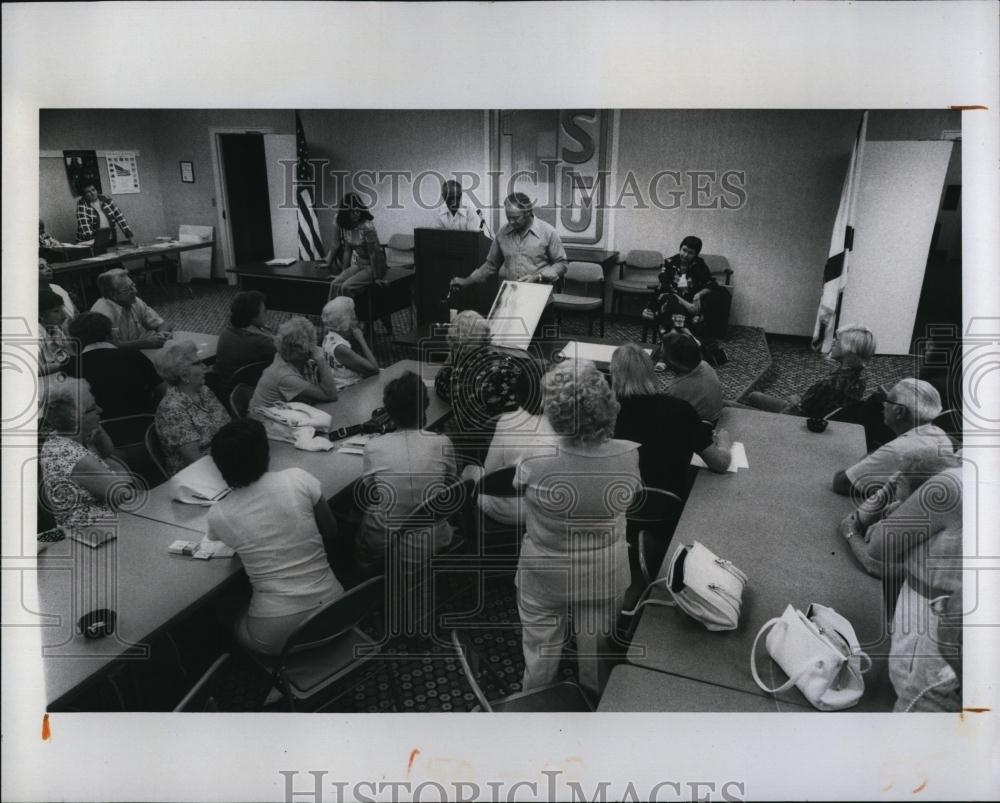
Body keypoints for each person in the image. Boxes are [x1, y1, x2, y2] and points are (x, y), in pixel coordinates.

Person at [515, 359, 642, 697]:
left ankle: (534, 702)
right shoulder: (629, 455)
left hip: (545, 570)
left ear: (553, 409)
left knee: (540, 652)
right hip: (605, 571)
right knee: (596, 654)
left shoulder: (535, 458)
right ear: (605, 402)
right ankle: (593, 706)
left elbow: (516, 488)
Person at [206, 419, 344, 656]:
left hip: (277, 634)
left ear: (221, 469)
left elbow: (230, 547)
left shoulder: (219, 513)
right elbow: (331, 529)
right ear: (266, 454)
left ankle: (255, 680)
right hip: (337, 609)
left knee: (227, 608)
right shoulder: (298, 477)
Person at [837, 457, 963, 712]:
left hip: (931, 617)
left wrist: (895, 499)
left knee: (913, 700)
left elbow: (878, 547)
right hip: (962, 619)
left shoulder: (953, 484)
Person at [355, 371, 457, 573]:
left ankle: (365, 574)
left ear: (388, 412)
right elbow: (451, 482)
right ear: (425, 408)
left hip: (394, 543)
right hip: (438, 537)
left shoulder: (373, 447)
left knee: (363, 519)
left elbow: (373, 493)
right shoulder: (442, 442)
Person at [610, 343, 732, 497]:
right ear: (650, 372)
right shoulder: (682, 410)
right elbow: (720, 463)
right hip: (668, 506)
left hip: (618, 504)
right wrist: (724, 443)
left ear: (614, 377)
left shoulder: (603, 415)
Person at [39, 378, 135, 532]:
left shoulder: (64, 437)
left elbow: (108, 451)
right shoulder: (70, 454)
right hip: (96, 533)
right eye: (92, 409)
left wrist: (94, 427)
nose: (101, 409)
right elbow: (122, 497)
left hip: (105, 524)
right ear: (74, 419)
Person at [433, 310, 525, 468]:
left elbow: (439, 384)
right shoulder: (508, 363)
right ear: (487, 337)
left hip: (480, 455)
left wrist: (453, 356)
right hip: (520, 441)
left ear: (453, 342)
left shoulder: (456, 379)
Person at [833, 378, 953, 496]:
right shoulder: (941, 435)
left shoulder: (898, 450)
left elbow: (842, 483)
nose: (884, 406)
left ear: (900, 412)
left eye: (888, 401)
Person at [477, 366, 557, 527]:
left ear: (517, 394)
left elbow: (490, 469)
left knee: (471, 471)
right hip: (543, 510)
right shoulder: (562, 427)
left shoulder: (506, 422)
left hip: (501, 509)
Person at [746, 324, 876, 418]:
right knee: (754, 396)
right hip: (818, 416)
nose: (834, 343)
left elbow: (798, 412)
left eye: (838, 341)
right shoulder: (859, 380)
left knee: (729, 405)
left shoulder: (829, 384)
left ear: (849, 350)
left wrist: (794, 400)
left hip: (796, 422)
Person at [449, 192, 567, 291]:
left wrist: (538, 277)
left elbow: (561, 264)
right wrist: (467, 281)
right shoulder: (502, 233)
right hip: (511, 298)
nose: (511, 222)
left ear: (528, 213)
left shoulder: (548, 232)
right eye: (508, 217)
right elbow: (491, 265)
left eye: (515, 218)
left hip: (540, 298)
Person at [153, 339, 231, 475]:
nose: (205, 366)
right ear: (183, 375)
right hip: (196, 476)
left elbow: (229, 428)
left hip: (223, 460)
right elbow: (195, 460)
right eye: (197, 363)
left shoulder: (203, 391)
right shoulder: (172, 409)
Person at [68, 311, 164, 419]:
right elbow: (162, 391)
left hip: (100, 428)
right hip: (144, 423)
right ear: (109, 334)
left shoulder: (71, 366)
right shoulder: (132, 355)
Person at [642, 235, 729, 341]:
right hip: (670, 298)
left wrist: (698, 295)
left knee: (721, 293)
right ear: (680, 248)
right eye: (684, 250)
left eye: (690, 252)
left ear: (696, 254)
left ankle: (673, 333)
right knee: (671, 300)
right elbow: (666, 287)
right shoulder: (669, 262)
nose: (685, 255)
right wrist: (687, 305)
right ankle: (683, 332)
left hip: (691, 300)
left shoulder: (699, 264)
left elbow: (711, 283)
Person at [249, 317, 338, 412]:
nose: (315, 347)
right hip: (266, 422)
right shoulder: (286, 376)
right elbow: (331, 396)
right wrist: (321, 360)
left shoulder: (282, 354)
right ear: (302, 352)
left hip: (275, 413)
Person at [90, 268, 172, 350]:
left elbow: (161, 323)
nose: (135, 291)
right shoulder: (102, 313)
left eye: (133, 286)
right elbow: (109, 347)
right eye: (127, 290)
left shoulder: (134, 301)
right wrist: (146, 343)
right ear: (113, 295)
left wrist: (162, 333)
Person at [214, 290, 277, 396]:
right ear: (253, 315)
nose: (266, 313)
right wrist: (268, 334)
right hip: (249, 394)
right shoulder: (261, 341)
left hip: (224, 390)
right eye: (264, 311)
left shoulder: (226, 332)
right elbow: (290, 354)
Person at [325, 193, 389, 297]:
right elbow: (347, 251)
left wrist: (377, 278)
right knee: (335, 284)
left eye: (358, 210)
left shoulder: (367, 226)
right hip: (359, 264)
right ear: (346, 213)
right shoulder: (347, 226)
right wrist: (342, 274)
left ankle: (348, 312)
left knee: (346, 287)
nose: (356, 214)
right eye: (352, 211)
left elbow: (373, 253)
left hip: (375, 266)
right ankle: (331, 312)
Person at [659, 330, 723, 422]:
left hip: (701, 428)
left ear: (672, 361)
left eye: (662, 354)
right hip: (716, 417)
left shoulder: (674, 389)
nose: (661, 356)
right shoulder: (705, 365)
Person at [320, 296, 380, 390]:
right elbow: (374, 369)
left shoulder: (328, 337)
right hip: (348, 391)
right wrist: (361, 339)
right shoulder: (340, 348)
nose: (356, 322)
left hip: (339, 385)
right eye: (353, 318)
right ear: (344, 323)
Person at [75, 179, 134, 244]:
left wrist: (129, 236)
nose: (92, 193)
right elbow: (84, 225)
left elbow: (120, 218)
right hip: (89, 242)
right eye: (88, 192)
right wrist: (93, 242)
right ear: (84, 195)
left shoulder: (107, 200)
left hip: (109, 239)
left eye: (93, 190)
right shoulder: (82, 204)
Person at [38, 289, 71, 376]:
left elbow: (67, 354)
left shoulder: (55, 329)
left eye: (62, 309)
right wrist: (65, 365)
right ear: (40, 315)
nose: (64, 315)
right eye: (56, 311)